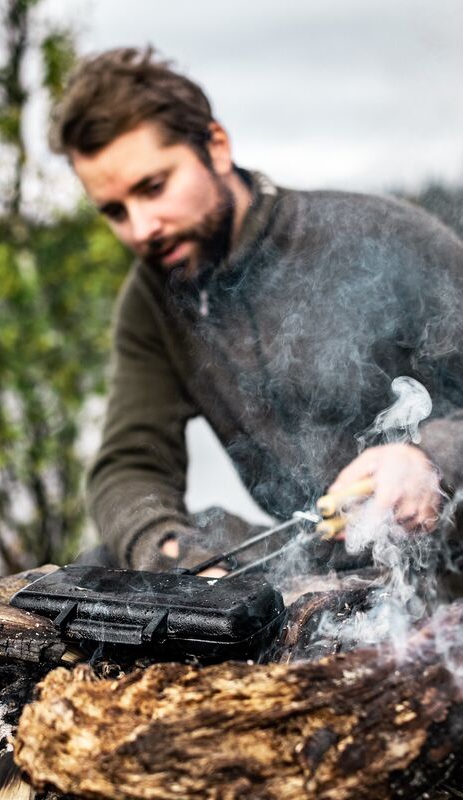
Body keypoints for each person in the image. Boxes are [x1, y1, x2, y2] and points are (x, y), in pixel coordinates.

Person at [49, 47, 463, 575]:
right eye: (115, 211)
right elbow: (130, 463)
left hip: (450, 558)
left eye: (154, 187)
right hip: (320, 571)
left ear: (216, 147)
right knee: (100, 564)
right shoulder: (152, 297)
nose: (141, 228)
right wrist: (174, 553)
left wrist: (431, 458)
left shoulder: (384, 235)